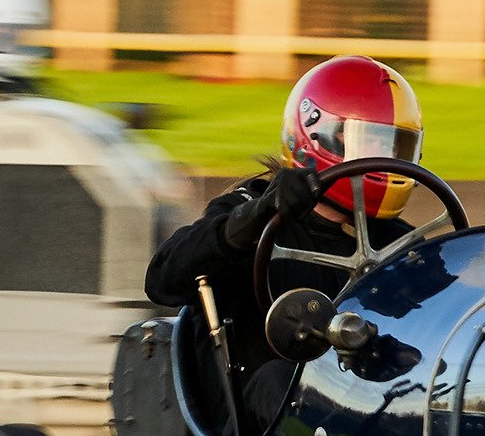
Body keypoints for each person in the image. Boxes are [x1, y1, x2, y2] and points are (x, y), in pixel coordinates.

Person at [145, 56, 423, 376]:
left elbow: (446, 310)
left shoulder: (398, 240)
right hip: (263, 399)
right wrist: (259, 215)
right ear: (318, 135)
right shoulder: (249, 211)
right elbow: (161, 281)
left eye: (396, 147)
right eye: (372, 142)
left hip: (359, 399)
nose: (386, 158)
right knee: (279, 378)